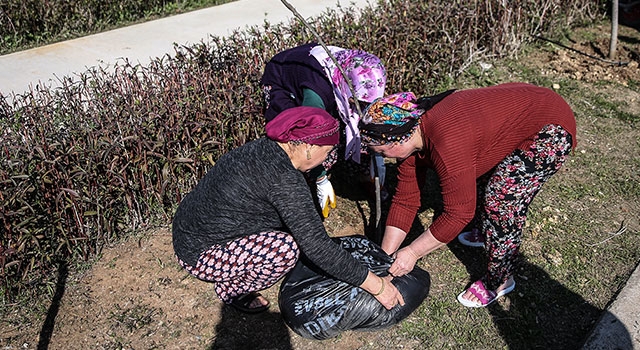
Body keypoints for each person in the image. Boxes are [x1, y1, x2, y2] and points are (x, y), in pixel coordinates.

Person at [358, 83, 577, 308]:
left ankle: (500, 280)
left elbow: (458, 214)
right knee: (480, 180)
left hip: (549, 126)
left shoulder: (447, 143)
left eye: (381, 151)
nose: (380, 156)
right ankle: (487, 232)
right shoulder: (410, 131)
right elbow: (405, 200)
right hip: (521, 114)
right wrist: (385, 258)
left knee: (501, 199)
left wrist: (413, 252)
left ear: (399, 139)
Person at [172, 106, 405, 314]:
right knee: (285, 250)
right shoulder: (284, 180)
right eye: (326, 152)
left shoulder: (261, 149)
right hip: (199, 254)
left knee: (294, 231)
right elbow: (317, 247)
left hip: (187, 230)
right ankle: (232, 289)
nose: (327, 159)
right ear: (307, 147)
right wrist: (378, 286)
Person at [260, 43, 388, 217]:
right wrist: (321, 179)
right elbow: (310, 139)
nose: (362, 106)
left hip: (316, 70)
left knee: (355, 120)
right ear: (347, 87)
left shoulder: (364, 72)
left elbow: (367, 112)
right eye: (358, 101)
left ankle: (365, 178)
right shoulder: (316, 93)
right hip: (283, 78)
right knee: (311, 133)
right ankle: (307, 183)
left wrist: (377, 154)